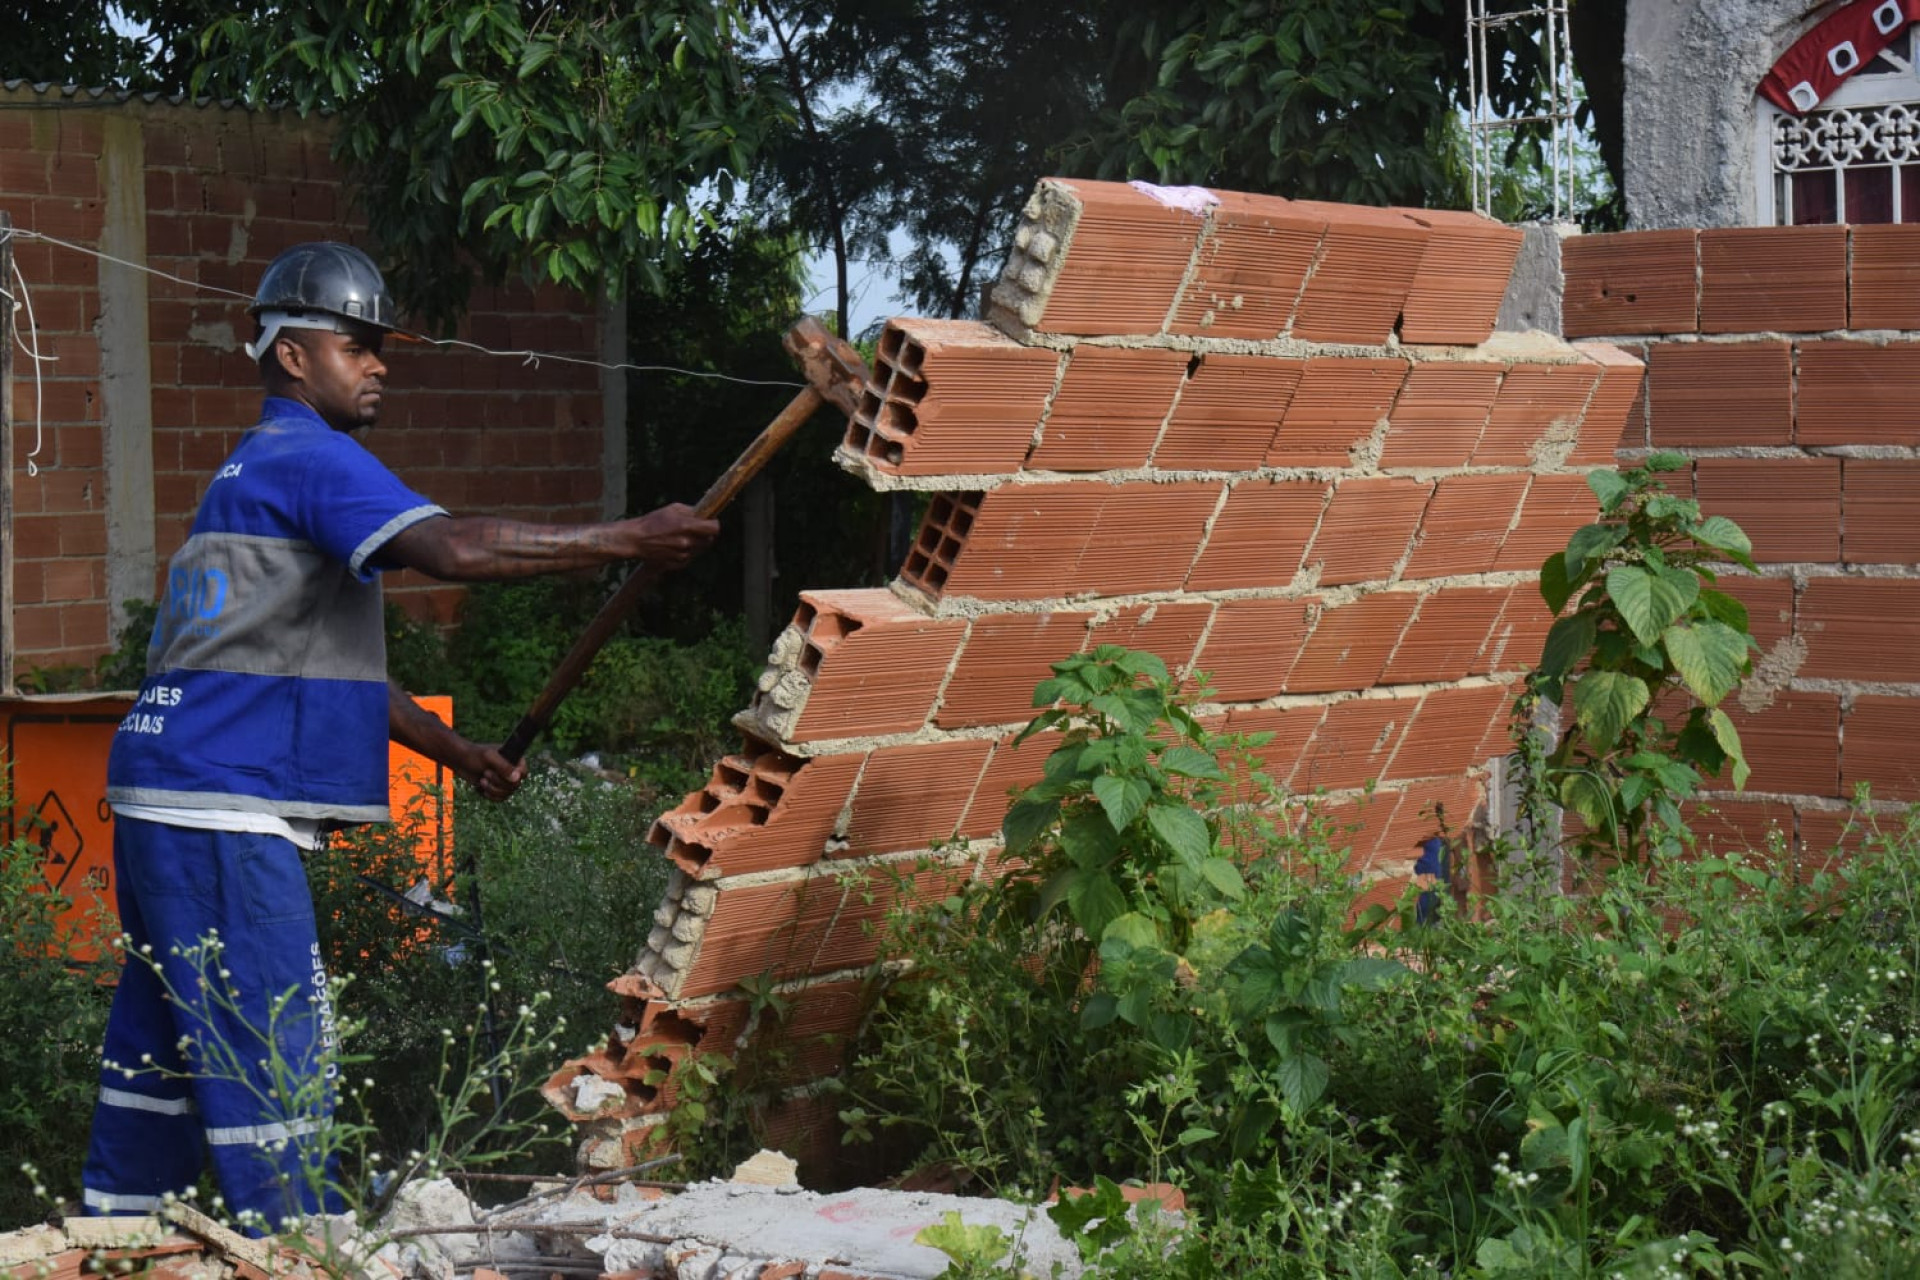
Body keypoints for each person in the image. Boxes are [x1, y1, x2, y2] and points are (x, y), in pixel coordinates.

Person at [80, 242, 718, 1230]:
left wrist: (456, 753)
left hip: (167, 789)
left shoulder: (247, 471)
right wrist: (629, 538)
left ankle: (109, 1239)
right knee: (275, 1043)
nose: (381, 363)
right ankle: (306, 1247)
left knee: (163, 1047)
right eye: (360, 343)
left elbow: (337, 670)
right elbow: (452, 546)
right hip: (221, 804)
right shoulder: (313, 458)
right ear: (293, 354)